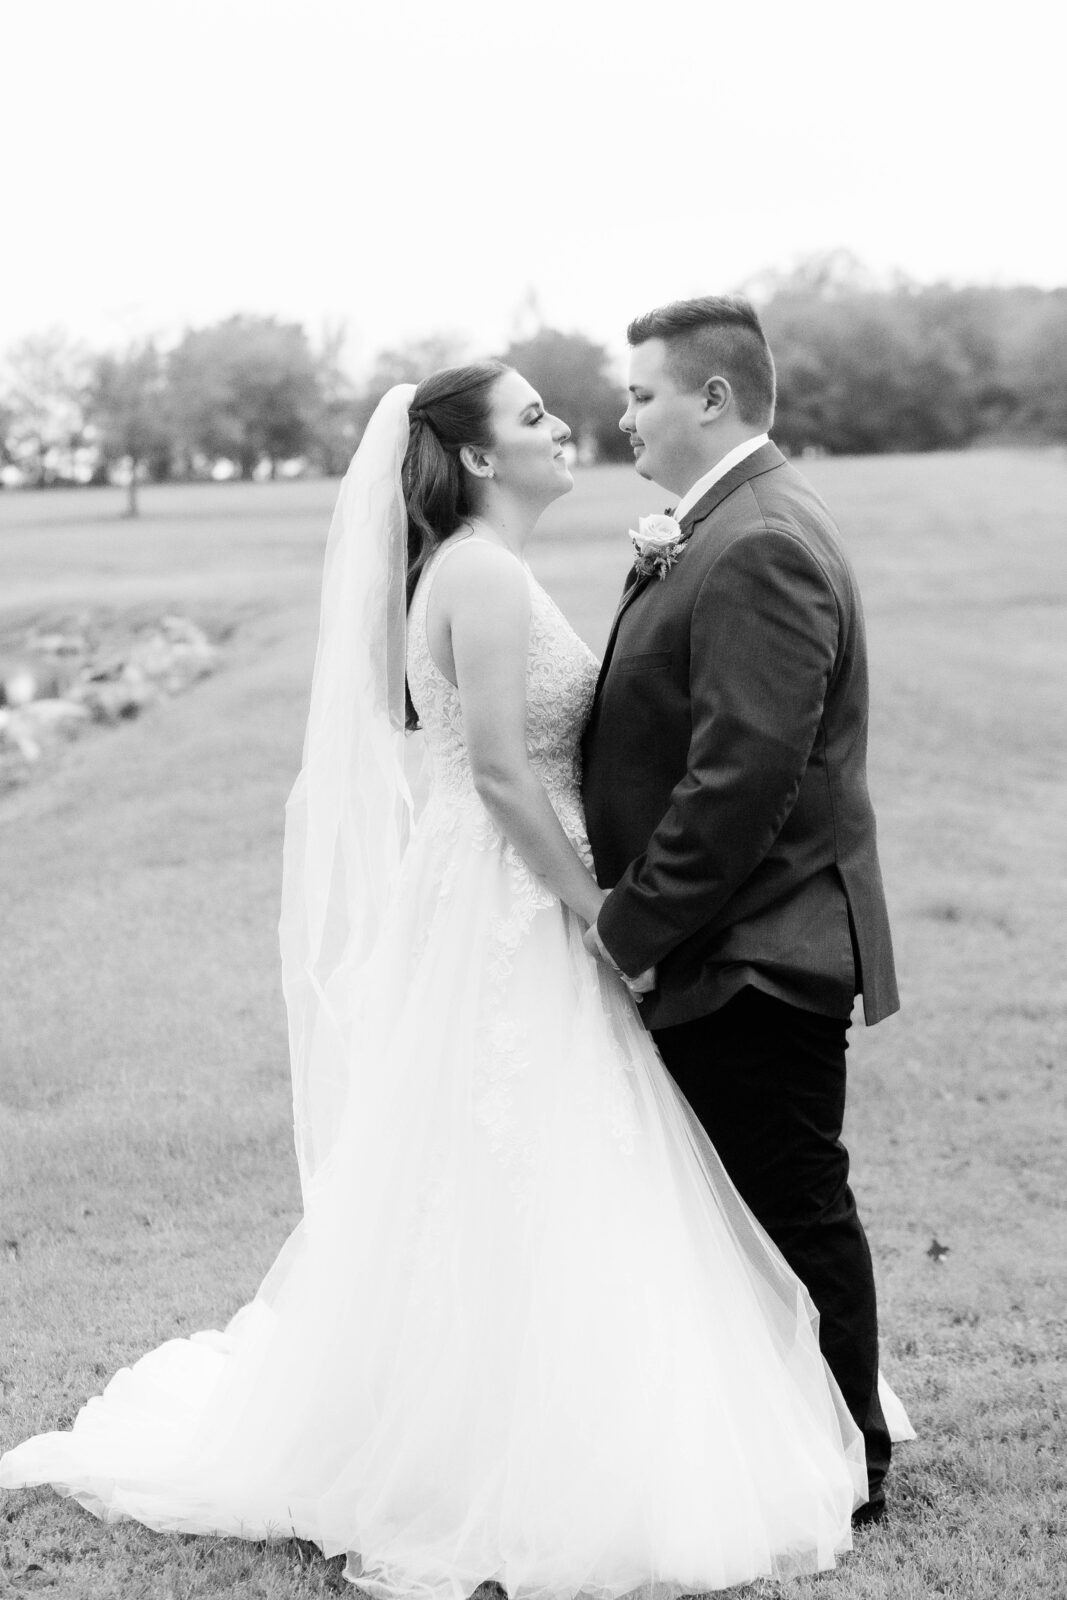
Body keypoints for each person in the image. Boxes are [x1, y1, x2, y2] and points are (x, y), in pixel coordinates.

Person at [0, 361, 904, 1598]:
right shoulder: (477, 573)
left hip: (508, 896)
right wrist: (595, 908)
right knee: (529, 1155)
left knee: (530, 1160)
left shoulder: (482, 568)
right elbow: (492, 769)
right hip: (516, 900)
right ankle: (513, 1440)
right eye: (531, 415)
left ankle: (567, 1402)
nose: (564, 423)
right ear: (478, 458)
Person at [581, 295, 905, 1525]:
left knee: (788, 1201)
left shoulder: (757, 537)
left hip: (757, 945)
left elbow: (739, 785)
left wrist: (624, 934)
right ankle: (791, 1430)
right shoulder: (720, 521)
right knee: (747, 1207)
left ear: (710, 399)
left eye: (639, 394)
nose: (622, 417)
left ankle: (848, 1456)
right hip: (738, 937)